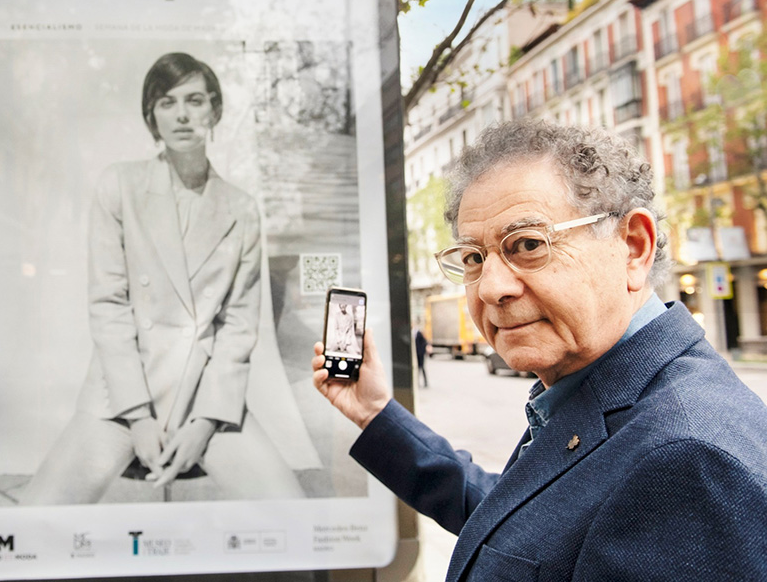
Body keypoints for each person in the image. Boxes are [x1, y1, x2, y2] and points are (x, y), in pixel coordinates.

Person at [313, 120, 767, 580]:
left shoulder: (688, 458)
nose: (491, 288)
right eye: (473, 258)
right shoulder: (611, 394)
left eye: (528, 244)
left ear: (633, 248)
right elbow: (523, 524)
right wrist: (375, 413)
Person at [23, 52, 303, 504]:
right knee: (37, 517)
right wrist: (138, 419)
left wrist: (205, 423)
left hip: (205, 399)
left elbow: (237, 327)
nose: (182, 115)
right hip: (119, 400)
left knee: (289, 509)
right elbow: (108, 308)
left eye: (194, 100)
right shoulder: (119, 185)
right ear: (151, 116)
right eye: (167, 103)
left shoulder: (241, 209)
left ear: (214, 110)